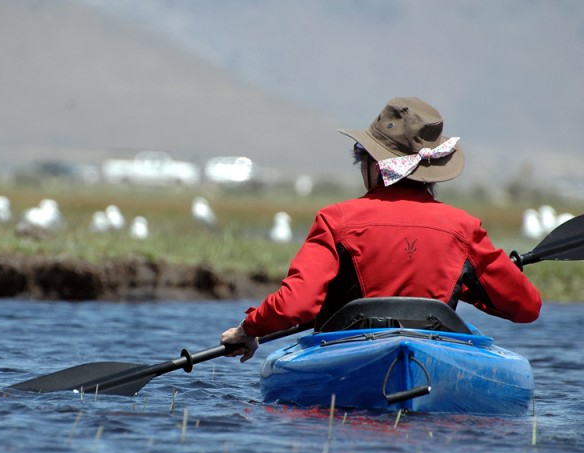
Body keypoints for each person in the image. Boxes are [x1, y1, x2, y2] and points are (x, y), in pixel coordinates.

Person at [221, 96, 542, 362]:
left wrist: (249, 328)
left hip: (345, 358)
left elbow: (295, 305)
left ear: (375, 164)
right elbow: (527, 307)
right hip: (431, 362)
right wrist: (465, 284)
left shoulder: (335, 220)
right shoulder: (465, 229)